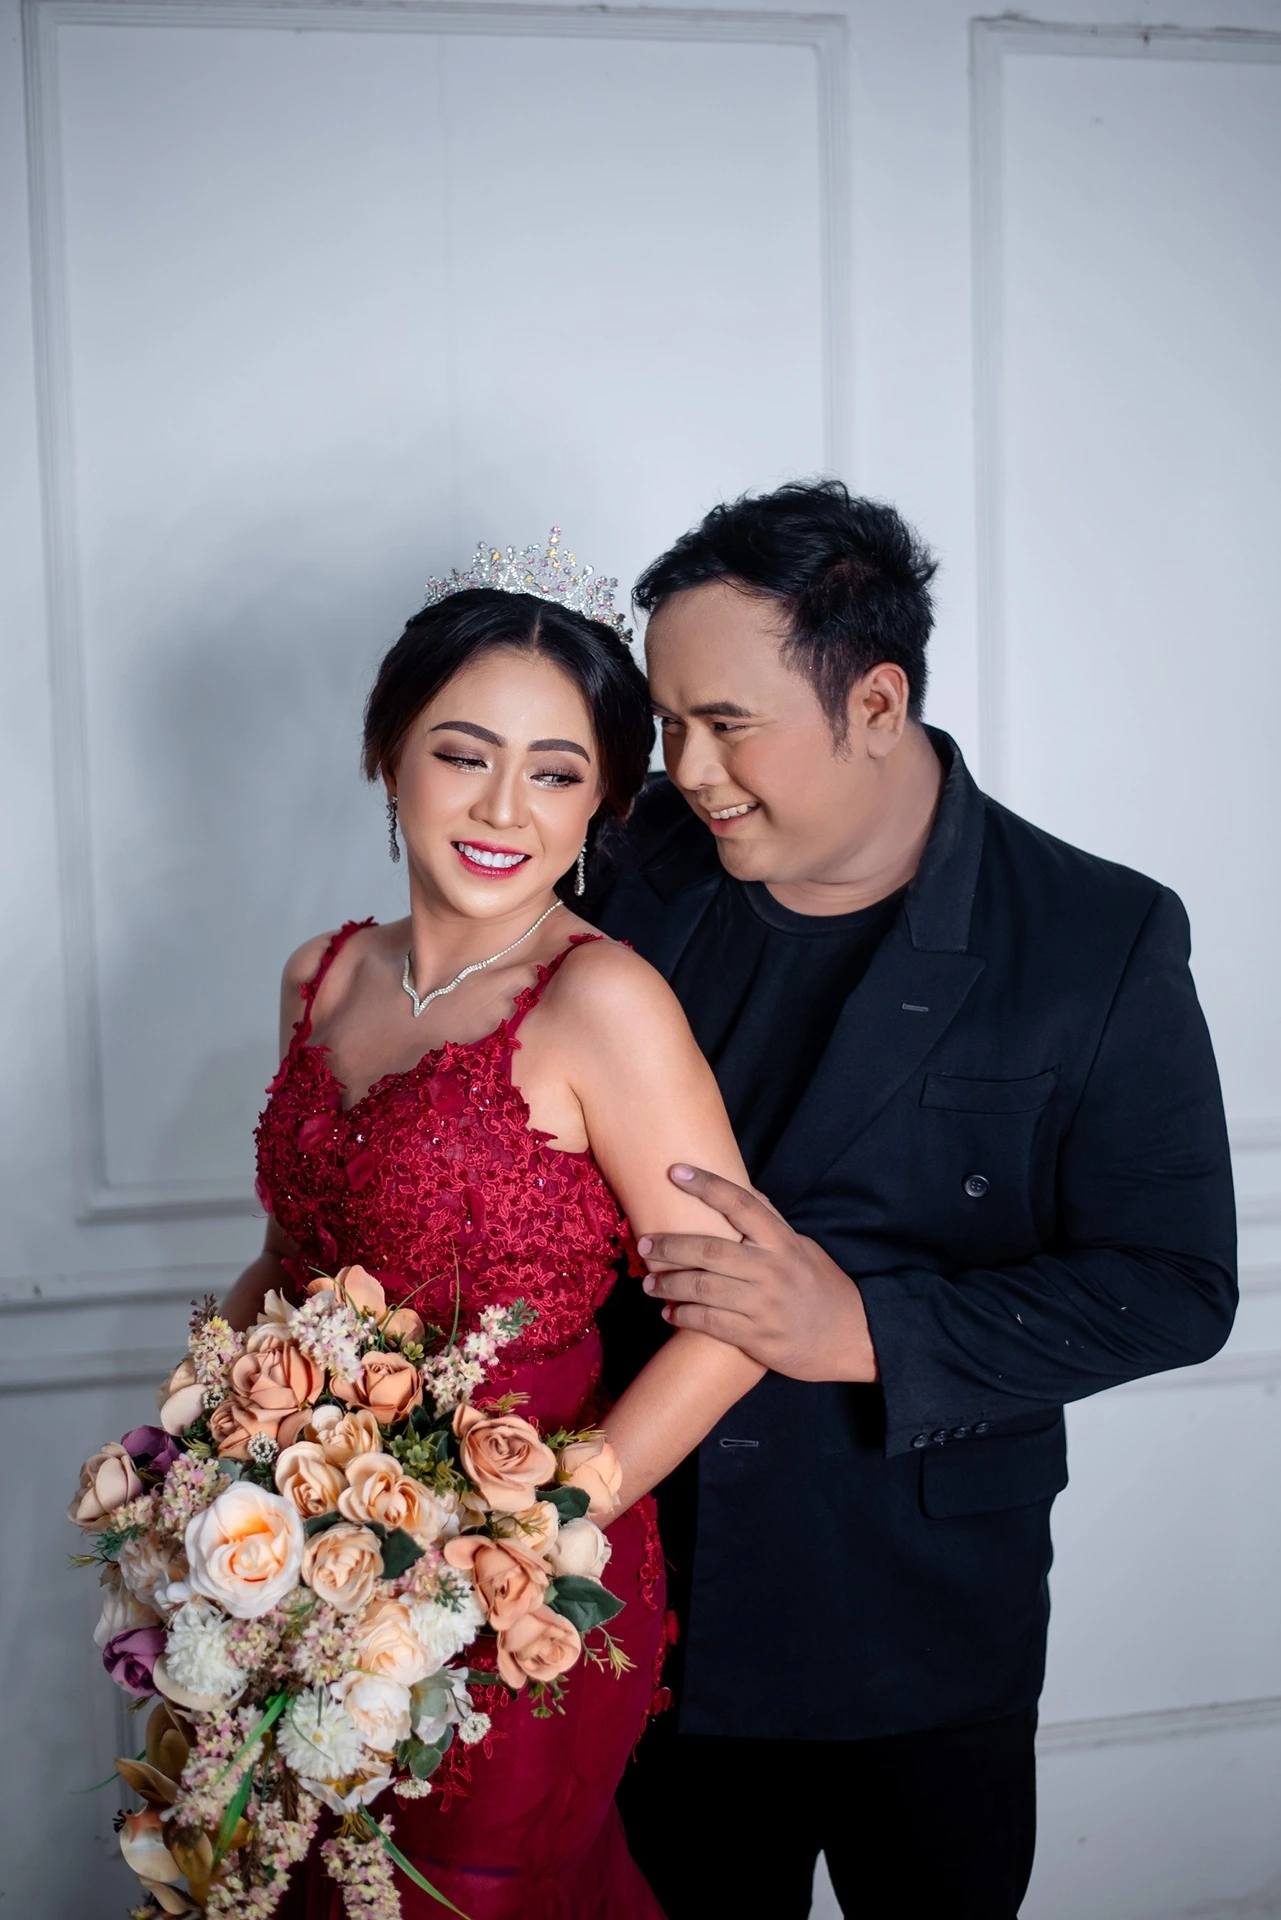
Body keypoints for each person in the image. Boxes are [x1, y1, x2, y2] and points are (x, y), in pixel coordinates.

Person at [592, 480, 1238, 1920]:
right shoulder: (629, 867)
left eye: (729, 724)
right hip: (642, 1600)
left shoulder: (1098, 934)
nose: (690, 770)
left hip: (924, 1623)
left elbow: (1178, 1285)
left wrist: (865, 1329)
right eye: (670, 722)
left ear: (877, 703)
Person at [225, 541, 765, 1919]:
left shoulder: (604, 1003)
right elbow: (289, 1258)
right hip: (306, 1552)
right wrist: (205, 1449)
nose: (504, 809)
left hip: (521, 1584)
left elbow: (738, 1322)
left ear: (608, 804)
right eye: (463, 755)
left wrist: (544, 1528)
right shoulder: (321, 975)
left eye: (558, 773)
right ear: (387, 754)